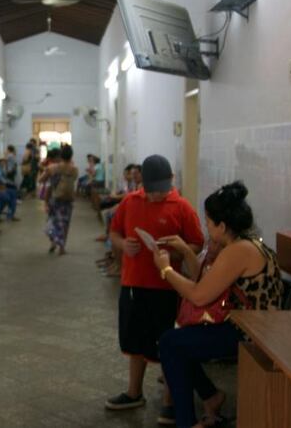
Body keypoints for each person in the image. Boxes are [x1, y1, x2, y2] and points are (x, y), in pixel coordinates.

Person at [153, 181, 283, 428]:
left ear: (222, 226)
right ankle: (211, 397)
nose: (206, 228)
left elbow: (199, 296)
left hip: (250, 332)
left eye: (208, 223)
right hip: (247, 325)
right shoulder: (245, 244)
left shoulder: (239, 251)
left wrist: (166, 269)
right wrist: (186, 251)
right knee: (178, 341)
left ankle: (187, 421)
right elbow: (205, 283)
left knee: (171, 343)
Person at [106, 155, 205, 425]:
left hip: (167, 287)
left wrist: (176, 251)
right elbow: (114, 232)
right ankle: (134, 392)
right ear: (143, 184)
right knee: (134, 341)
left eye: (161, 191)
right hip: (133, 284)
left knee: (167, 346)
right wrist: (123, 245)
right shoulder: (130, 202)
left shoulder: (182, 207)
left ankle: (170, 402)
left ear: (170, 183)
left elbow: (197, 243)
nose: (156, 196)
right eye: (151, 191)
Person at [40, 145, 78, 255]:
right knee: (65, 223)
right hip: (68, 200)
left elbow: (41, 179)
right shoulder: (74, 169)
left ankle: (53, 242)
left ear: (61, 155)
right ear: (71, 155)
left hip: (55, 199)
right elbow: (74, 180)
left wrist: (48, 173)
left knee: (53, 221)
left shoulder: (53, 168)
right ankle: (62, 248)